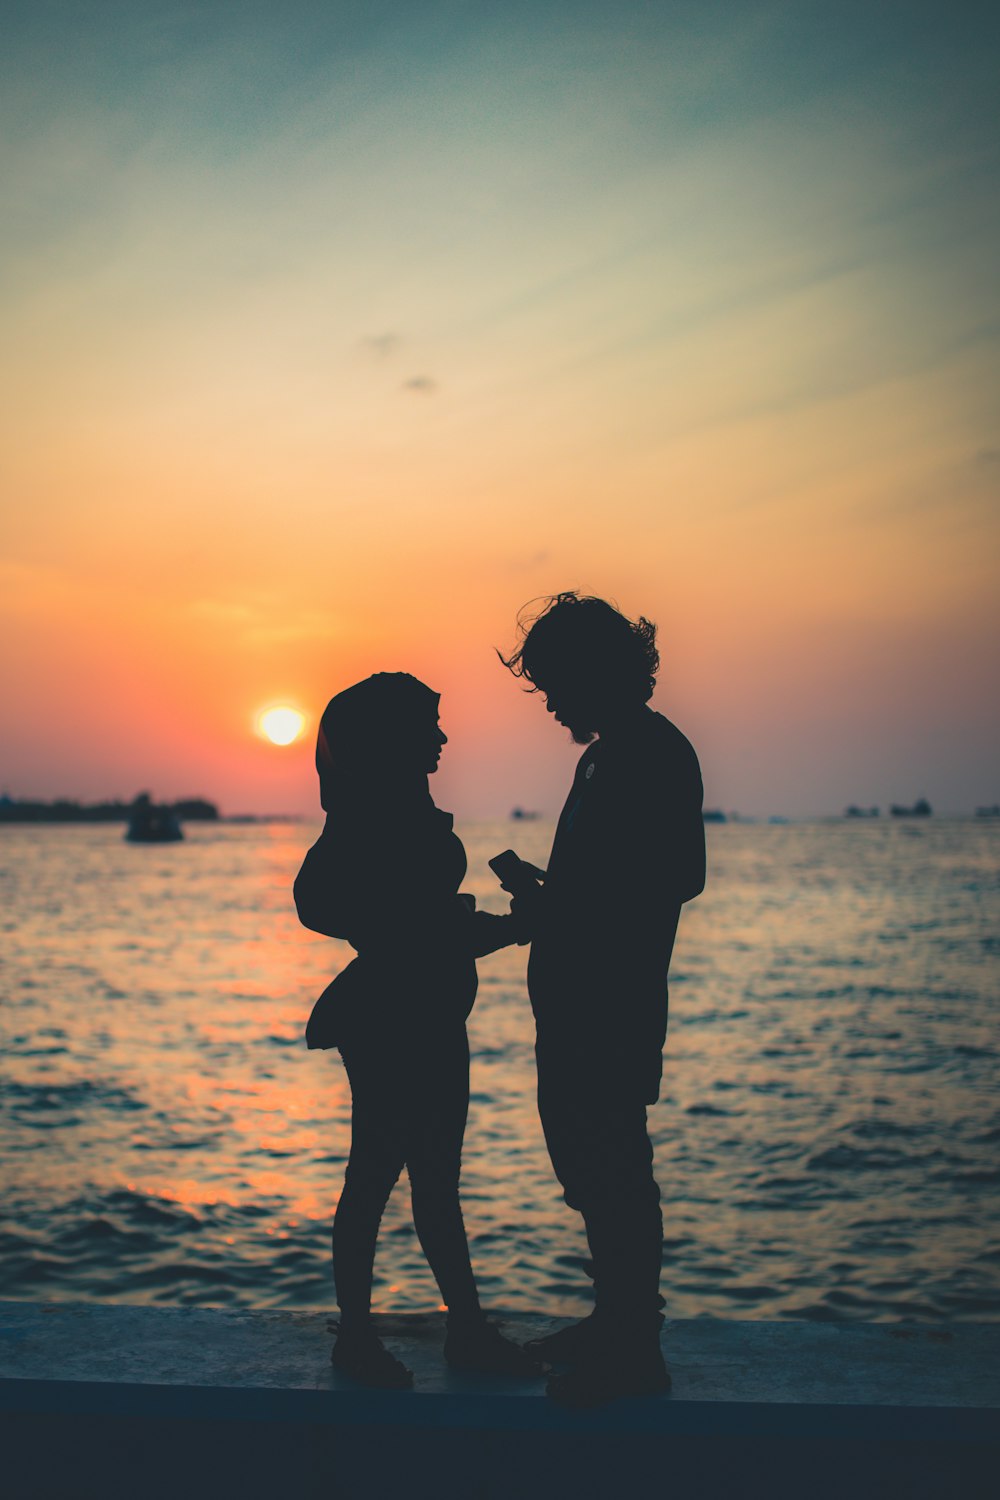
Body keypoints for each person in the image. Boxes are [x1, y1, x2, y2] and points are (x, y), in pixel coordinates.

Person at [294, 672, 542, 1389]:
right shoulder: (377, 823)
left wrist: (489, 930)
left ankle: (459, 1327)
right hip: (399, 1019)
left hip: (426, 1014)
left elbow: (420, 928)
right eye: (428, 725)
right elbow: (414, 932)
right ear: (392, 737)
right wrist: (507, 930)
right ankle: (367, 1338)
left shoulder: (391, 813)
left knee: (429, 1179)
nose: (441, 737)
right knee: (379, 1176)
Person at [499, 593, 705, 1407]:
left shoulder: (652, 751)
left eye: (555, 684)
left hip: (611, 1002)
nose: (549, 702)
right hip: (575, 999)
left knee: (615, 1163)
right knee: (587, 1166)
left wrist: (562, 905)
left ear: (596, 673)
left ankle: (634, 1348)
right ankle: (614, 1318)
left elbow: (674, 876)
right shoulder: (603, 756)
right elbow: (604, 881)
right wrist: (550, 897)